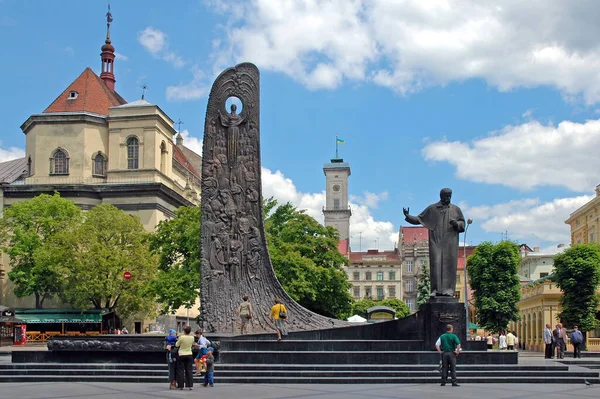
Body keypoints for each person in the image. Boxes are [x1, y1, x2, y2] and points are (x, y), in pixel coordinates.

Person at [403, 188, 465, 297]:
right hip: (436, 241)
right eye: (446, 196)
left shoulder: (456, 210)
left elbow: (462, 224)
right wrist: (408, 216)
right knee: (435, 263)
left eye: (450, 196)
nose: (448, 198)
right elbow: (419, 219)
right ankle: (436, 290)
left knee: (450, 264)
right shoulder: (433, 209)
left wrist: (456, 224)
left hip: (450, 242)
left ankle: (449, 290)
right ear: (441, 196)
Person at [175, 325, 195, 390]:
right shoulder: (192, 338)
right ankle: (190, 385)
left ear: (184, 331)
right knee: (189, 370)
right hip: (189, 354)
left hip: (181, 354)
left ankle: (181, 385)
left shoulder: (181, 337)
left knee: (180, 370)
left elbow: (177, 344)